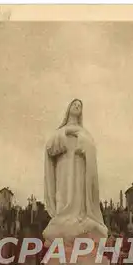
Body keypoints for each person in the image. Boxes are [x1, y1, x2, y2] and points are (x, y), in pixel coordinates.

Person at [43, 99, 108, 245]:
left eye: (80, 106)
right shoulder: (60, 131)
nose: (77, 107)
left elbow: (91, 149)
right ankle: (62, 219)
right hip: (63, 167)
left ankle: (79, 217)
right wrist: (68, 132)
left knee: (78, 193)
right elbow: (50, 148)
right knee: (64, 193)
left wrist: (82, 141)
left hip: (79, 167)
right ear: (69, 108)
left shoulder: (84, 132)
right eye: (75, 104)